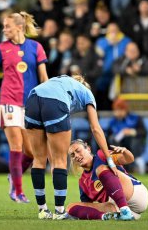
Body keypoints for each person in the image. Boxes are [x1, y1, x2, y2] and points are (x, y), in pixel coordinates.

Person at [24, 75, 117, 219]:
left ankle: (42, 210)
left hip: (32, 99)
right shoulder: (87, 93)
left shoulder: (62, 81)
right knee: (60, 161)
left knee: (38, 159)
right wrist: (109, 158)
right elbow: (96, 128)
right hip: (55, 102)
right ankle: (60, 212)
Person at [0, 11, 49, 203]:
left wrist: (49, 101)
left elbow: (44, 78)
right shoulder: (0, 49)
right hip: (8, 102)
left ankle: (14, 176)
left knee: (31, 152)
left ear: (19, 27)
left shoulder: (36, 47)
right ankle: (17, 191)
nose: (4, 30)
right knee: (16, 145)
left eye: (7, 26)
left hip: (30, 103)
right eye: (3, 26)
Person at [66, 139, 148, 220]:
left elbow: (129, 159)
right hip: (115, 207)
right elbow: (87, 206)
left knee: (100, 169)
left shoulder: (101, 155)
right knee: (70, 207)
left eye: (78, 151)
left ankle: (125, 211)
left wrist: (125, 151)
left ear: (88, 149)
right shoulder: (82, 182)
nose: (76, 156)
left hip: (135, 194)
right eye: (72, 155)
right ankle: (105, 216)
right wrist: (75, 212)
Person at [108, 98, 148, 174]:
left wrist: (131, 131)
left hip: (134, 145)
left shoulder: (135, 118)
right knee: (112, 139)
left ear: (125, 110)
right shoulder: (113, 122)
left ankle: (136, 163)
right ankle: (118, 163)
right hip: (120, 146)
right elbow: (109, 136)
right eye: (116, 110)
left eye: (121, 110)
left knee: (134, 141)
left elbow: (143, 132)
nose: (118, 112)